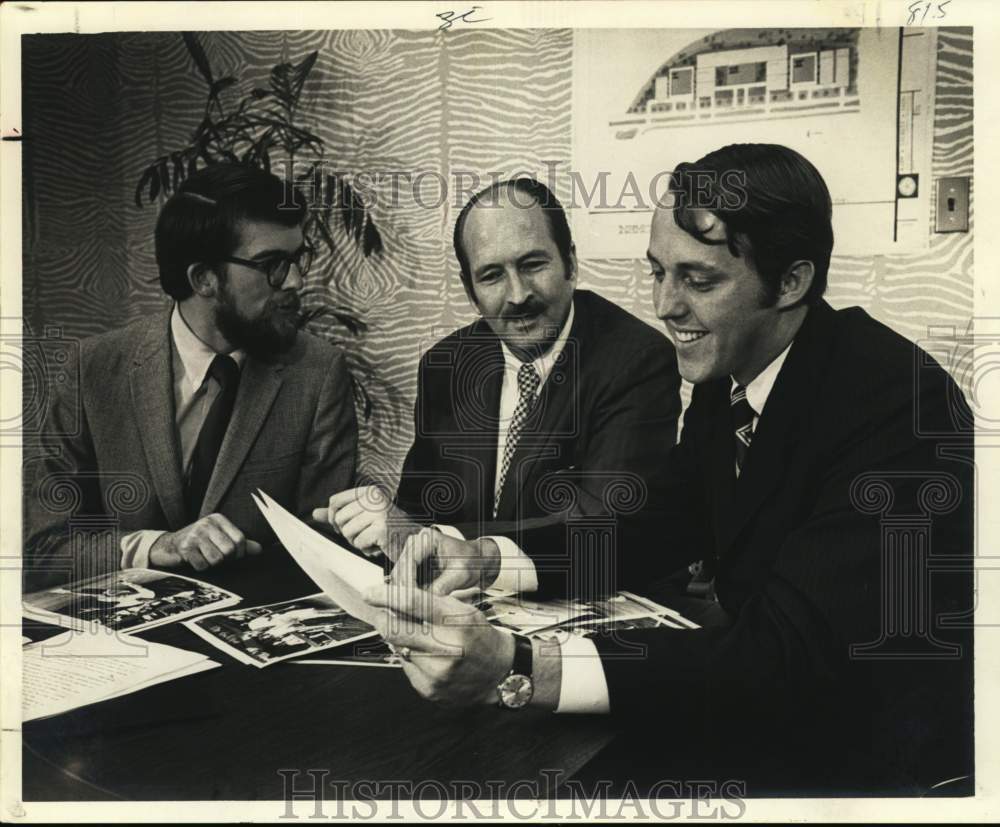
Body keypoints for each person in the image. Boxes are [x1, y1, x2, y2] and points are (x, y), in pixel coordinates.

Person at [366, 145, 974, 794]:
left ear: (792, 281)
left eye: (698, 279)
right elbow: (658, 522)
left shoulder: (896, 403)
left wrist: (521, 665)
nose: (664, 305)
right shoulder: (730, 375)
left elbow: (785, 655)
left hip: (880, 764)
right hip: (771, 712)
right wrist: (487, 556)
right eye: (658, 272)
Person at [317, 178, 681, 598]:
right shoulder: (446, 365)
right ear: (471, 290)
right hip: (467, 613)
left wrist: (445, 544)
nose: (518, 295)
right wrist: (384, 528)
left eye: (532, 265)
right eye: (491, 275)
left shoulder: (635, 359)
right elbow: (417, 510)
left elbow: (606, 529)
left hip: (587, 607)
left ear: (571, 265)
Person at [24, 164, 358, 588]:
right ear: (203, 278)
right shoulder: (93, 369)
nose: (295, 280)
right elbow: (43, 550)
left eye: (297, 259)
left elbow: (324, 547)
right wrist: (159, 546)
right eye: (273, 264)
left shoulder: (318, 371)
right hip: (122, 640)